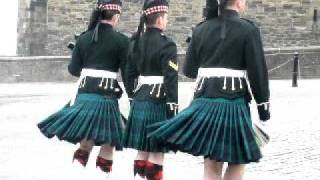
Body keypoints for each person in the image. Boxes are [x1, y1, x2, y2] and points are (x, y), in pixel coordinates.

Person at [148, 0, 271, 179]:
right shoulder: (248, 30)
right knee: (237, 160)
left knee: (211, 163)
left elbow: (189, 71)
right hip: (233, 103)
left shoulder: (200, 29)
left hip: (203, 100)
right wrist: (263, 109)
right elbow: (258, 73)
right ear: (237, 2)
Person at [37, 0, 129, 175]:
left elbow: (73, 70)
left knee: (86, 140)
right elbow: (127, 72)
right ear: (116, 15)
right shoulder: (122, 41)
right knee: (109, 141)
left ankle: (76, 175)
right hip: (105, 97)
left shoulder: (84, 38)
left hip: (84, 96)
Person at [122, 0, 178, 179]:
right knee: (157, 151)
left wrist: (132, 96)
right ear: (160, 20)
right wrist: (173, 106)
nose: (166, 21)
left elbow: (129, 74)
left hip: (140, 98)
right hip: (158, 100)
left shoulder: (134, 42)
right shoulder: (167, 44)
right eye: (166, 17)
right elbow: (171, 78)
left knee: (142, 150)